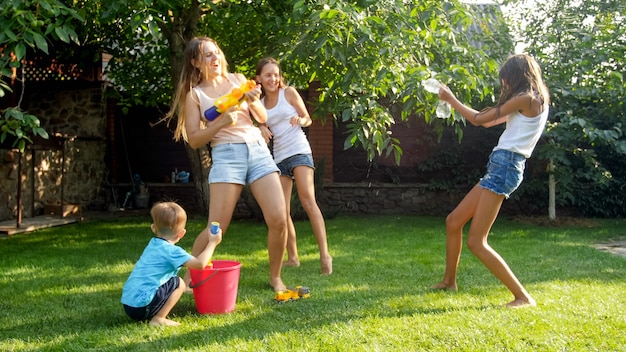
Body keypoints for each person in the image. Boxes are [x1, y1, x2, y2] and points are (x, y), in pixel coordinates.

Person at [164, 37, 289, 292]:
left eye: (216, 53)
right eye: (207, 56)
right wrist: (219, 123)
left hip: (257, 149)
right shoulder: (195, 96)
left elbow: (263, 117)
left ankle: (276, 278)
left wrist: (252, 99)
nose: (214, 59)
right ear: (195, 63)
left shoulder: (238, 80)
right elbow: (195, 139)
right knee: (216, 227)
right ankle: (186, 281)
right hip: (226, 154)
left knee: (279, 219)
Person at [431, 54, 550, 308]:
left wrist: (451, 99)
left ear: (516, 76)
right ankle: (449, 281)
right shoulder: (531, 100)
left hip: (505, 167)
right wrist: (463, 106)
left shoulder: (525, 98)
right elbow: (488, 122)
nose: (504, 84)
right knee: (453, 221)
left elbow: (476, 120)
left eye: (506, 79)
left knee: (477, 241)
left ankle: (523, 297)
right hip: (500, 166)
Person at [255, 57, 333, 275]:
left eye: (276, 74)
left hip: (299, 151)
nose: (273, 79)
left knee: (308, 202)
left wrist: (301, 120)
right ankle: (293, 257)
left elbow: (307, 118)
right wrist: (260, 126)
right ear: (259, 78)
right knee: (282, 210)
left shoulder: (288, 93)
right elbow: (256, 122)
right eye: (268, 75)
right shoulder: (259, 104)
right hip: (279, 157)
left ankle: (325, 255)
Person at [121, 201, 222, 326]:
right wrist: (212, 243)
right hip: (142, 307)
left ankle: (154, 313)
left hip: (129, 305)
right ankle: (158, 319)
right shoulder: (172, 251)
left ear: (153, 228)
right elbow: (200, 264)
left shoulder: (153, 244)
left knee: (169, 282)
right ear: (182, 233)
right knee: (178, 282)